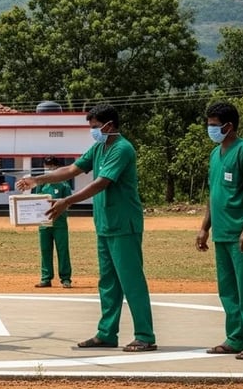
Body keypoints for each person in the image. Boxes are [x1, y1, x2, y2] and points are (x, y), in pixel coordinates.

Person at [16, 104, 156, 352]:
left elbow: (101, 183)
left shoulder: (122, 149)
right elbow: (72, 169)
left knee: (131, 280)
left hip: (123, 224)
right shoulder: (99, 148)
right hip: (105, 224)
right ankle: (107, 333)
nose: (93, 131)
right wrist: (37, 179)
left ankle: (145, 335)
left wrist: (67, 201)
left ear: (109, 125)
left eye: (95, 127)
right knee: (108, 282)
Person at [196, 101, 243, 360]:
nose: (210, 129)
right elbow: (214, 193)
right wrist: (204, 227)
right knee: (227, 290)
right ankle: (236, 338)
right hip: (221, 232)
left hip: (240, 234)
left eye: (214, 125)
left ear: (228, 126)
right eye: (209, 124)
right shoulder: (215, 154)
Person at [33, 156, 73, 289]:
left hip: (59, 223)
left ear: (57, 167)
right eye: (46, 166)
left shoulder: (64, 185)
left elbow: (68, 203)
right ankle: (46, 278)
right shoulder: (42, 185)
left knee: (63, 250)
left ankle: (65, 278)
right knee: (45, 251)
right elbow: (36, 202)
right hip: (44, 224)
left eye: (52, 166)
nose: (49, 169)